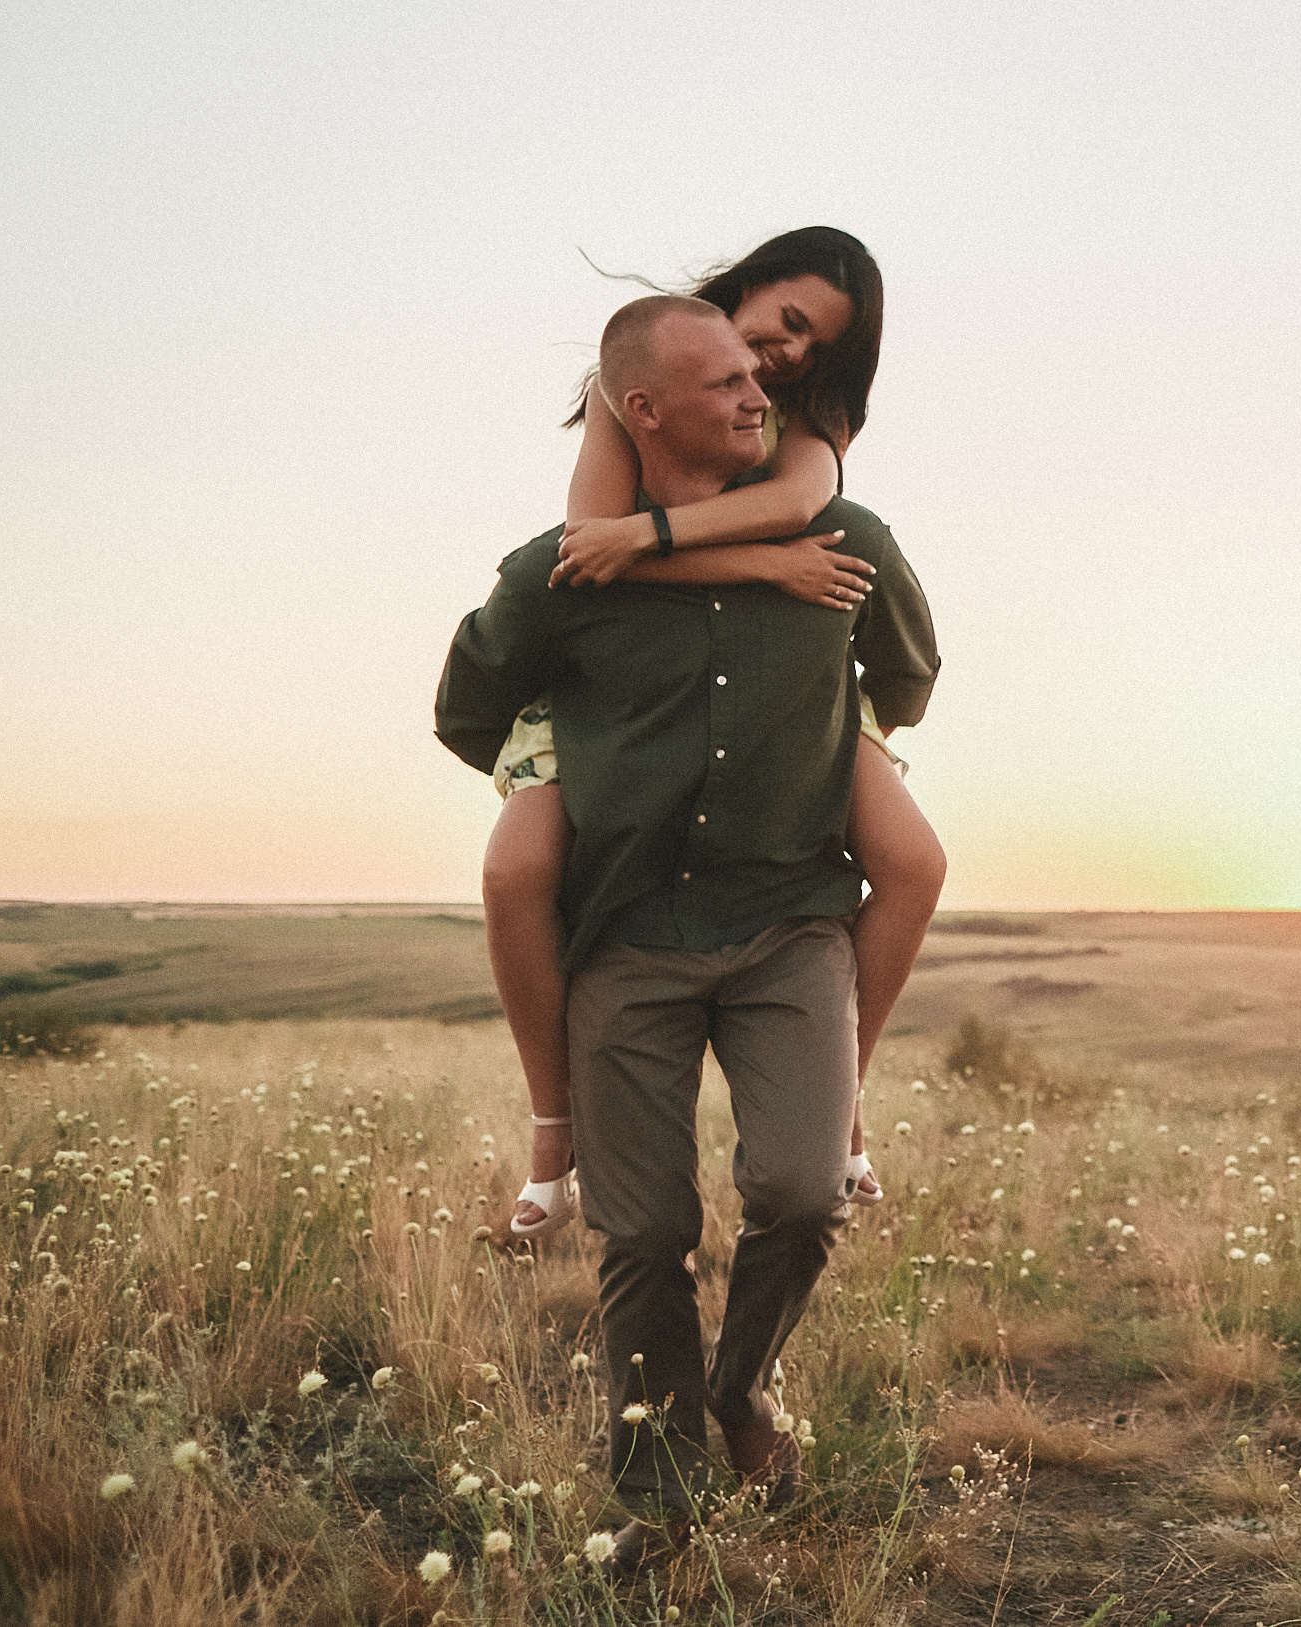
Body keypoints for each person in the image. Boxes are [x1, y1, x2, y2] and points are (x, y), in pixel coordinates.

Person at [436, 293, 939, 1555]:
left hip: (792, 921)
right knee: (643, 1227)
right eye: (721, 382)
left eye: (753, 373)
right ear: (643, 410)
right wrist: (561, 771)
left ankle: (743, 1383)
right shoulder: (561, 572)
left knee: (801, 1190)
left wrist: (838, 741)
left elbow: (909, 676)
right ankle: (654, 1479)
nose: (758, 391)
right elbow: (464, 706)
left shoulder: (845, 535)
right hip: (628, 929)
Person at [483, 227, 945, 1238]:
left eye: (812, 343)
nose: (785, 354)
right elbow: (591, 553)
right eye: (782, 318)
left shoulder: (803, 420)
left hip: (790, 665)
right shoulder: (631, 379)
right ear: (741, 288)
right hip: (631, 665)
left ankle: (841, 1092)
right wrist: (756, 567)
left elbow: (794, 507)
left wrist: (747, 569)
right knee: (517, 871)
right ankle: (551, 1124)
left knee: (912, 859)